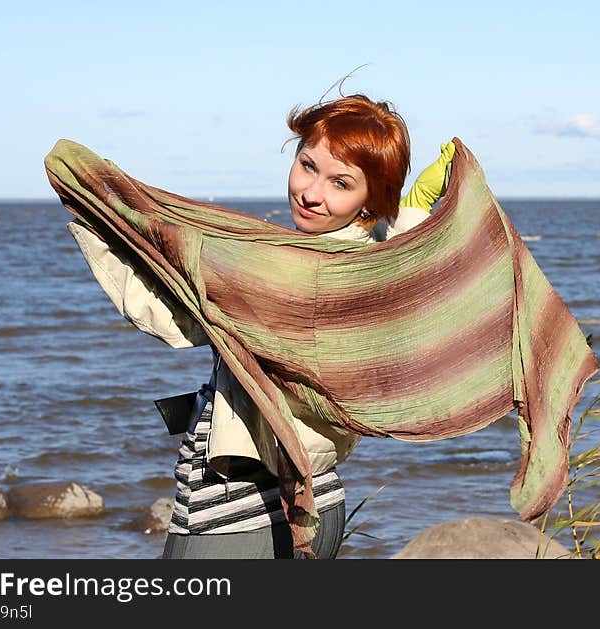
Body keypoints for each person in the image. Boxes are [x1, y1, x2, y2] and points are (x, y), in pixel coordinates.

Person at [66, 93, 455, 558]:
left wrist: (101, 218)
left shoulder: (286, 270)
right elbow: (401, 252)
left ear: (371, 200)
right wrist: (412, 210)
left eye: (340, 183)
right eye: (308, 165)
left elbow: (170, 317)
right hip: (319, 501)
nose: (312, 193)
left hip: (238, 514)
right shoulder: (371, 265)